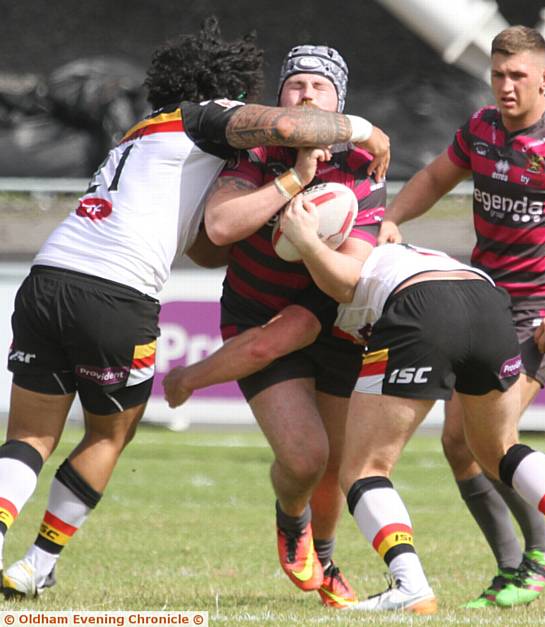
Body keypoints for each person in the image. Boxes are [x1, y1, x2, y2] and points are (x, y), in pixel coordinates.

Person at [0, 18, 390, 599]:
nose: (298, 98)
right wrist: (364, 130)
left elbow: (207, 246)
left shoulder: (139, 133)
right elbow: (282, 128)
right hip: (117, 293)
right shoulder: (213, 117)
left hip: (49, 276)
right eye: (291, 85)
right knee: (109, 437)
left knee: (29, 437)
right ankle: (35, 563)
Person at [377, 25, 545, 608]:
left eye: (518, 76)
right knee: (458, 444)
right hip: (480, 302)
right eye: (498, 75)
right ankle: (522, 560)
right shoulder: (482, 130)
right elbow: (438, 176)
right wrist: (395, 219)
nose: (506, 86)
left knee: (489, 440)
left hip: (538, 311)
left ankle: (543, 553)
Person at [278, 197, 545, 614]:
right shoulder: (403, 251)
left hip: (423, 307)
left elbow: (346, 283)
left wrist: (305, 242)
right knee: (499, 449)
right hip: (488, 301)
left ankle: (410, 586)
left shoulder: (347, 259)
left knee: (363, 468)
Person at [198, 44, 387, 608]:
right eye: (296, 85)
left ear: (340, 102)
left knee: (334, 464)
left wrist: (307, 241)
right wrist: (293, 180)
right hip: (256, 312)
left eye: (319, 87)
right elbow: (219, 224)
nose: (306, 95)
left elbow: (349, 279)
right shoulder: (256, 148)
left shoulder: (361, 167)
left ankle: (325, 559)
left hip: (333, 319)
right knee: (304, 458)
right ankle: (291, 522)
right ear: (279, 96)